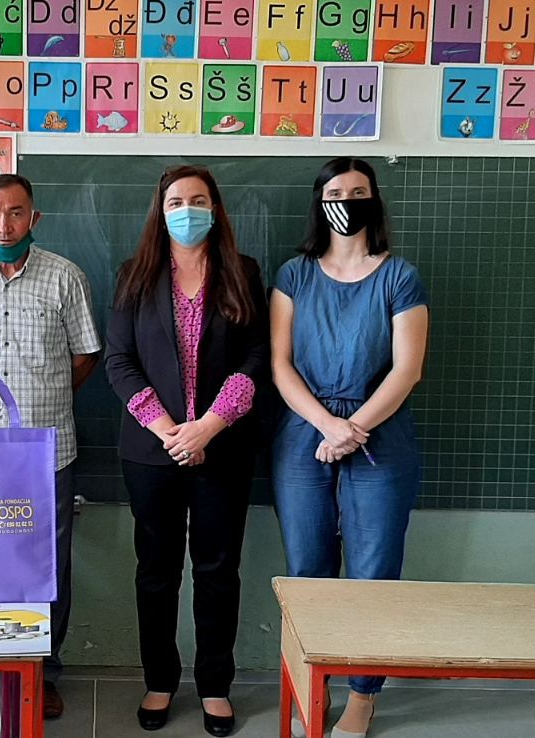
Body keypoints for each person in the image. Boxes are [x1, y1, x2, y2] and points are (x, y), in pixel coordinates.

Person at [104, 166, 268, 738]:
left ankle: (215, 685)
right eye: (176, 201)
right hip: (152, 451)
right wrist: (171, 430)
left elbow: (257, 356)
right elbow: (119, 361)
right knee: (156, 570)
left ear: (216, 208)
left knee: (218, 570)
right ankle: (160, 680)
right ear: (161, 210)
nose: (187, 210)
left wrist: (210, 427)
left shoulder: (243, 272)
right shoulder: (135, 274)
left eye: (199, 200)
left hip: (224, 447)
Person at [269, 158, 429, 738]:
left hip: (379, 434)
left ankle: (363, 695)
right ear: (320, 202)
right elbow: (281, 365)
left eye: (359, 192)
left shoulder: (400, 276)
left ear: (374, 201)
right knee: (306, 569)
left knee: (373, 571)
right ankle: (310, 683)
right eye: (336, 192)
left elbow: (407, 369)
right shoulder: (294, 274)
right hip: (304, 434)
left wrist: (352, 429)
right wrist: (327, 426)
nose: (347, 201)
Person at [0, 174, 102, 720]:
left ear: (35, 217)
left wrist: (46, 398)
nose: (3, 224)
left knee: (47, 564)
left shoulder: (65, 276)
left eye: (15, 212)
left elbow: (86, 353)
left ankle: (41, 670)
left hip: (47, 448)